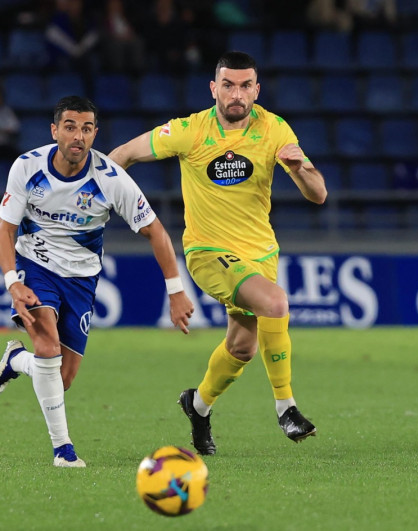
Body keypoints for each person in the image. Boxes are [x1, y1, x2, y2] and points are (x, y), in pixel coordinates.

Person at [109, 51, 327, 455]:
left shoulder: (275, 129)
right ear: (214, 88)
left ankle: (198, 405)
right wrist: (99, 199)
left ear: (256, 90)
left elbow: (319, 195)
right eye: (228, 85)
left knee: (243, 347)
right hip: (209, 252)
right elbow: (123, 154)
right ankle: (287, 408)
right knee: (276, 302)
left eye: (245, 86)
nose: (237, 94)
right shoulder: (189, 130)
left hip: (260, 254)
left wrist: (301, 170)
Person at [0, 96, 195, 467]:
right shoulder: (27, 167)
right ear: (55, 131)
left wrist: (176, 292)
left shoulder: (111, 178)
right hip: (36, 267)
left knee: (60, 379)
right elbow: (5, 231)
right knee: (48, 347)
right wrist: (13, 281)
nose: (77, 136)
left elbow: (157, 233)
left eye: (86, 128)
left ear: (95, 133)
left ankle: (17, 360)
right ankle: (63, 450)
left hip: (81, 280)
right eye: (69, 127)